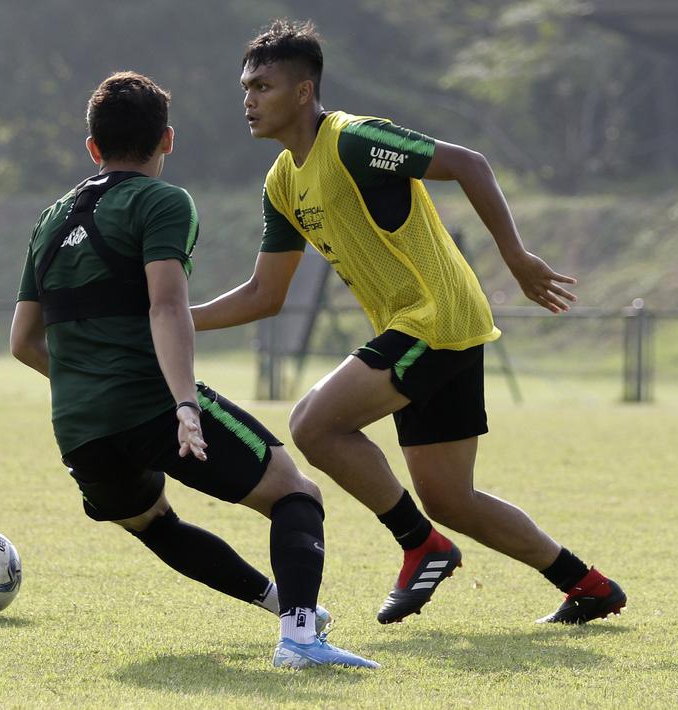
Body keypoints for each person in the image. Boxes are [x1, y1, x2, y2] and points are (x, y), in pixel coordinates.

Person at [191, 21, 626, 626]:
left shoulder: (355, 140)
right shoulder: (282, 182)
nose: (248, 99)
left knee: (313, 425)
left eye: (262, 85)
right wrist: (175, 322)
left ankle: (420, 545)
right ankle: (589, 586)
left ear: (302, 91)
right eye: (245, 87)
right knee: (451, 499)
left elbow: (470, 164)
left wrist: (518, 259)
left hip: (436, 318)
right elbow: (266, 294)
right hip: (430, 327)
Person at [9, 71, 377, 669]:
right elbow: (167, 304)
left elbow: (23, 341)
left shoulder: (50, 221)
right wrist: (183, 403)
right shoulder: (161, 201)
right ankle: (302, 640)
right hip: (152, 404)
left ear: (92, 148)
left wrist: (88, 382)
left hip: (79, 428)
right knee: (296, 494)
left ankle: (281, 602)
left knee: (153, 523)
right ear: (168, 140)